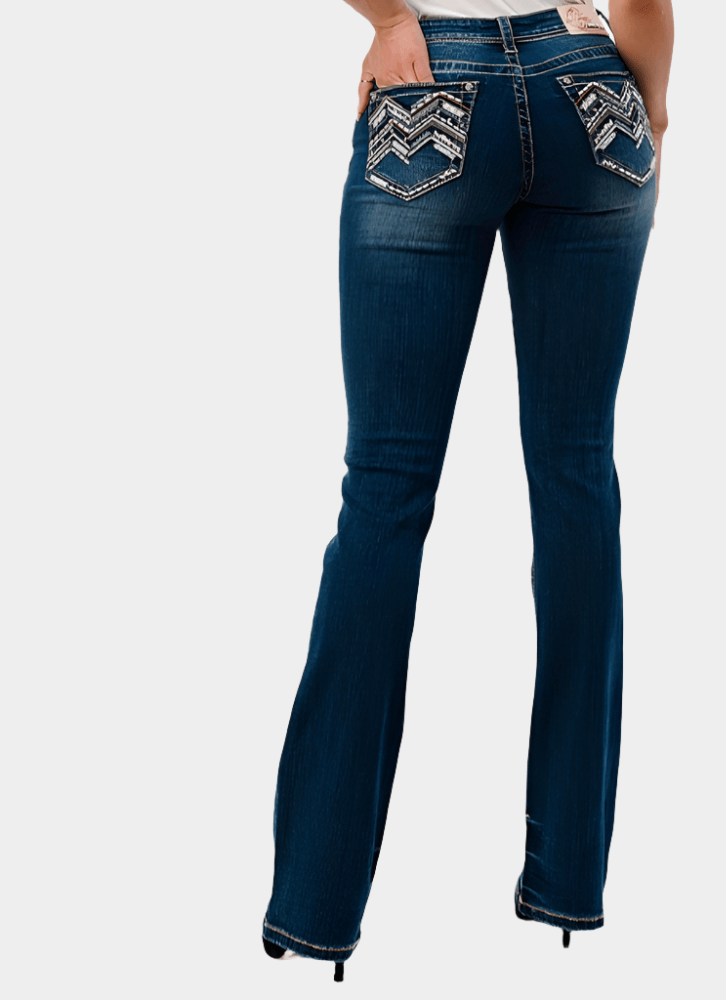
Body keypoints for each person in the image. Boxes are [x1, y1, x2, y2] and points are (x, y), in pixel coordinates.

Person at [261, 0, 674, 981]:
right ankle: (569, 883)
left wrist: (389, 17)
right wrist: (652, 109)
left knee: (385, 491)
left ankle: (315, 908)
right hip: (591, 91)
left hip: (431, 87)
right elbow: (644, 5)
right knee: (578, 475)